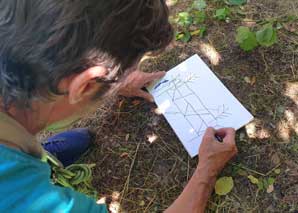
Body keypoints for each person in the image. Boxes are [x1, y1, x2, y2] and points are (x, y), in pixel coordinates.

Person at [0, 0, 237, 212]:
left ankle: (42, 153)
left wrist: (112, 81)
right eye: (128, 69)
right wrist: (208, 169)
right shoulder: (28, 201)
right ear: (85, 85)